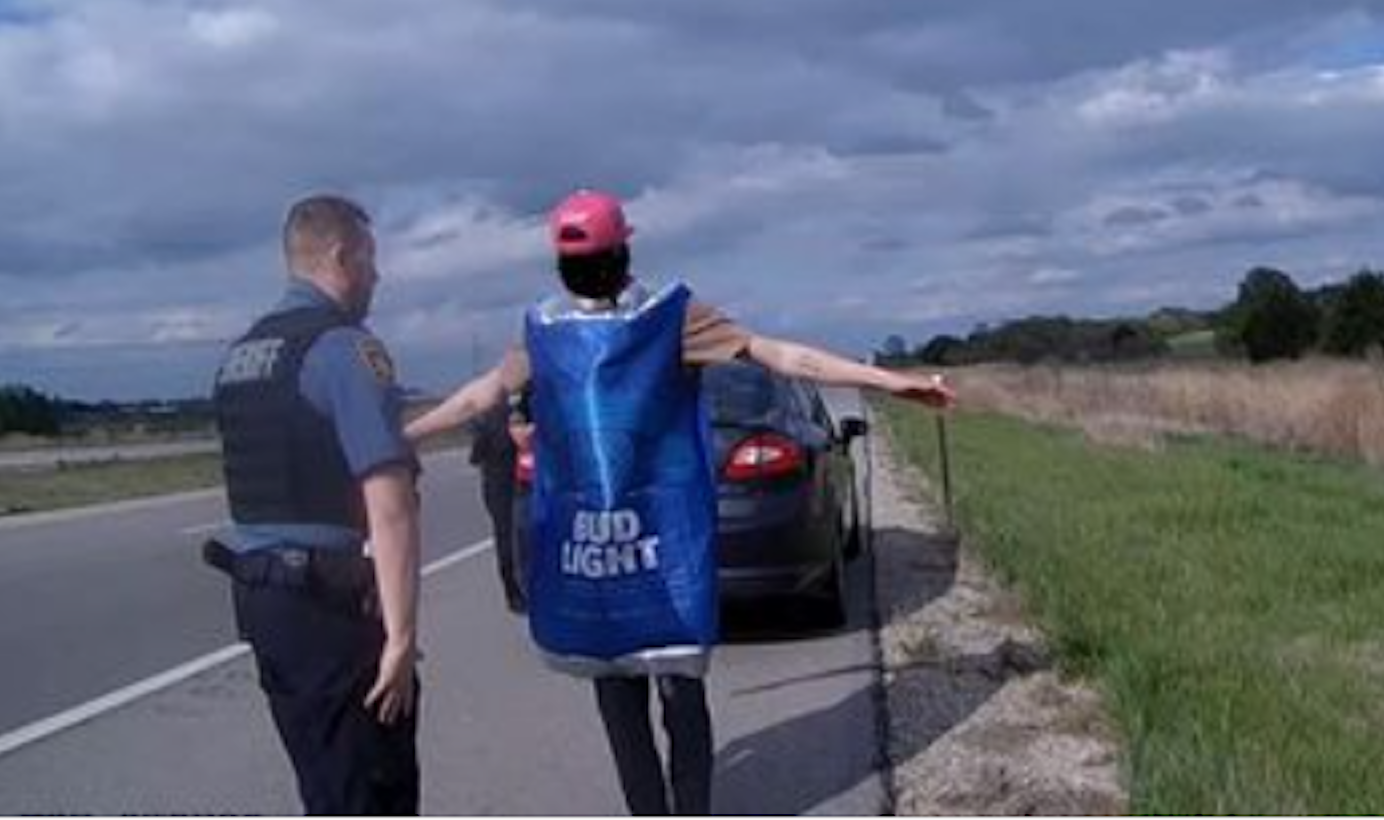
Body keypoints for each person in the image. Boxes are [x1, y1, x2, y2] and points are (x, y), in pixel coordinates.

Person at [407, 189, 954, 816]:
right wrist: (892, 382)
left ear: (561, 264)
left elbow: (480, 396)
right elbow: (783, 355)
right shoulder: (673, 316)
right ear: (625, 251)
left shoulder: (547, 331)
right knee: (678, 685)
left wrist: (399, 438)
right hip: (662, 541)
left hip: (598, 547)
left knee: (616, 688)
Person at [205, 195, 422, 815]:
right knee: (373, 789)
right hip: (331, 606)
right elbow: (391, 505)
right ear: (340, 255)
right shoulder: (344, 349)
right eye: (371, 260)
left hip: (264, 601)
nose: (377, 276)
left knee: (323, 784)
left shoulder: (243, 355)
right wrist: (402, 640)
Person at [468, 385, 526, 613]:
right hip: (513, 482)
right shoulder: (514, 417)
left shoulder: (488, 421)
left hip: (500, 484)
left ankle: (514, 592)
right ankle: (519, 589)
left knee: (506, 537)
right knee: (517, 537)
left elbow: (475, 456)